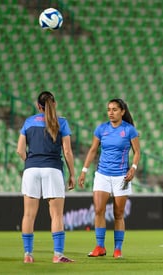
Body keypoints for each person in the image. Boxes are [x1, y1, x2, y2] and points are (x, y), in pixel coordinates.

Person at [16, 91, 81, 263]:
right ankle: (58, 255)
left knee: (28, 215)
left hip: (31, 170)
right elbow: (67, 151)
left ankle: (28, 255)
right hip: (52, 170)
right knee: (57, 215)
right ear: (55, 104)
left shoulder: (29, 122)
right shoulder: (62, 122)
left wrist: (30, 162)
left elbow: (20, 150)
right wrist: (72, 174)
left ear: (38, 106)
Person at [78, 98, 140, 258]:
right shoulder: (101, 129)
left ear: (122, 112)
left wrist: (133, 168)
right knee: (99, 210)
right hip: (102, 175)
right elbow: (92, 150)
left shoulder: (129, 130)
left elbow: (137, 152)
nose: (111, 113)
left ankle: (118, 249)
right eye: (109, 109)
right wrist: (84, 170)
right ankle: (100, 247)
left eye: (114, 109)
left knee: (118, 214)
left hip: (121, 177)